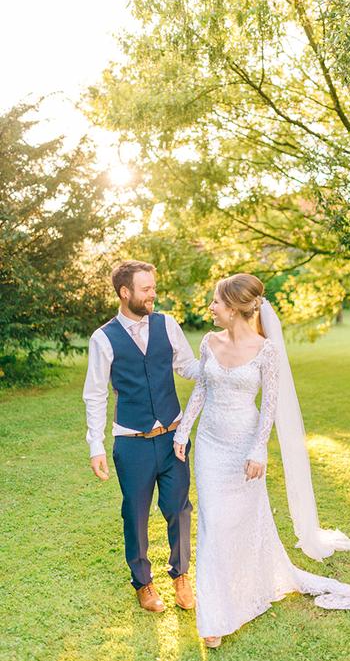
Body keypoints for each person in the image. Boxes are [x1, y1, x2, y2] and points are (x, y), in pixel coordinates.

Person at [173, 273, 350, 648]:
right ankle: (215, 617)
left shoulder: (266, 350)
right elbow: (202, 390)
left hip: (244, 447)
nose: (210, 308)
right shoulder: (209, 341)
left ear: (237, 308)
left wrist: (259, 449)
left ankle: (248, 587)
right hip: (209, 445)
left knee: (241, 523)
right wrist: (183, 431)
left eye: (216, 302)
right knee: (212, 523)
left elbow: (269, 406)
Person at [83, 260, 199, 613]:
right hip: (131, 442)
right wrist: (95, 446)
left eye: (153, 287)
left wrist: (221, 359)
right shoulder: (103, 338)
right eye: (146, 288)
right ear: (125, 292)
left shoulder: (168, 324)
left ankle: (180, 576)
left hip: (172, 438)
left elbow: (187, 366)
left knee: (179, 510)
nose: (153, 294)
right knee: (135, 513)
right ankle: (144, 584)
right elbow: (95, 393)